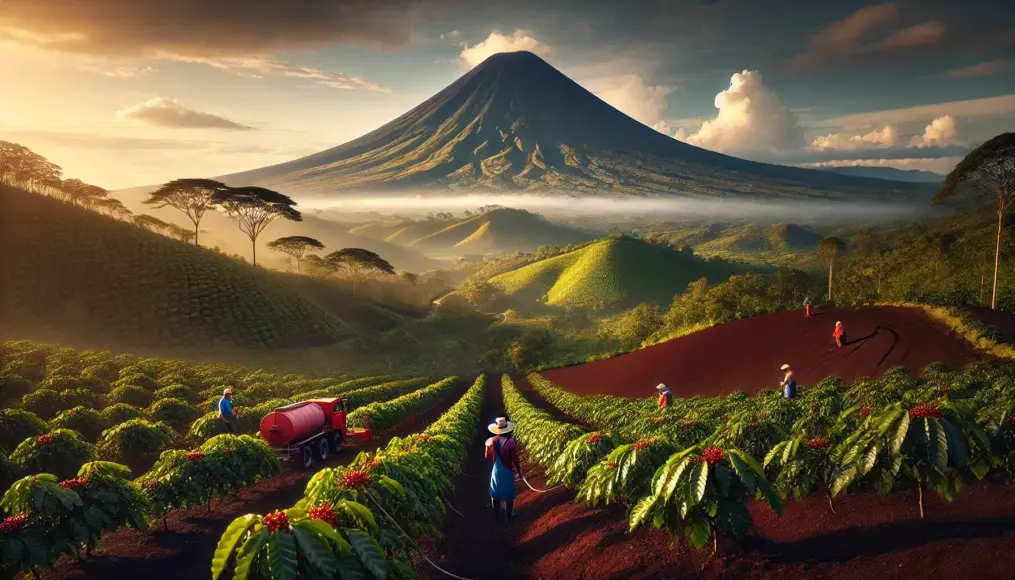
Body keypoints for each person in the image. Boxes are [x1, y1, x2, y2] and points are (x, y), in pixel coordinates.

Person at [485, 417, 522, 521]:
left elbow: (487, 456)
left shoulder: (492, 441)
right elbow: (515, 459)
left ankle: (497, 515)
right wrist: (519, 472)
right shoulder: (510, 442)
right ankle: (509, 516)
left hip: (496, 470)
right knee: (508, 495)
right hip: (507, 471)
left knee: (495, 493)